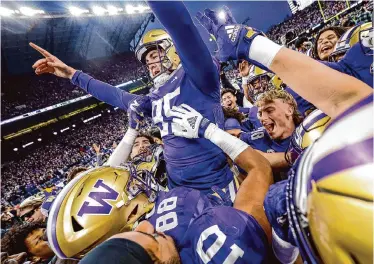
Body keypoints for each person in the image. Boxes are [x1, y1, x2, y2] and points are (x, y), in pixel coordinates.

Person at [195, 6, 372, 263]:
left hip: (335, 204)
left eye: (269, 110)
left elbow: (344, 94)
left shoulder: (302, 103)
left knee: (281, 202)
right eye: (261, 112)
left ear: (290, 108)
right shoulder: (259, 129)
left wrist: (252, 44)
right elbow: (345, 94)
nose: (264, 118)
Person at [29, 1, 235, 195]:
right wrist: (72, 74)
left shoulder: (198, 75)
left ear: (173, 50)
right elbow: (116, 96)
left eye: (154, 56)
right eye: (147, 62)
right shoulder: (154, 99)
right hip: (177, 192)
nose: (151, 65)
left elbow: (181, 26)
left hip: (215, 185)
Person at [80, 104, 273, 264]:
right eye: (150, 239)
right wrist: (210, 130)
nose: (147, 226)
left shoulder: (160, 165)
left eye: (143, 142)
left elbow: (102, 176)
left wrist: (132, 132)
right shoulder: (213, 244)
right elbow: (260, 169)